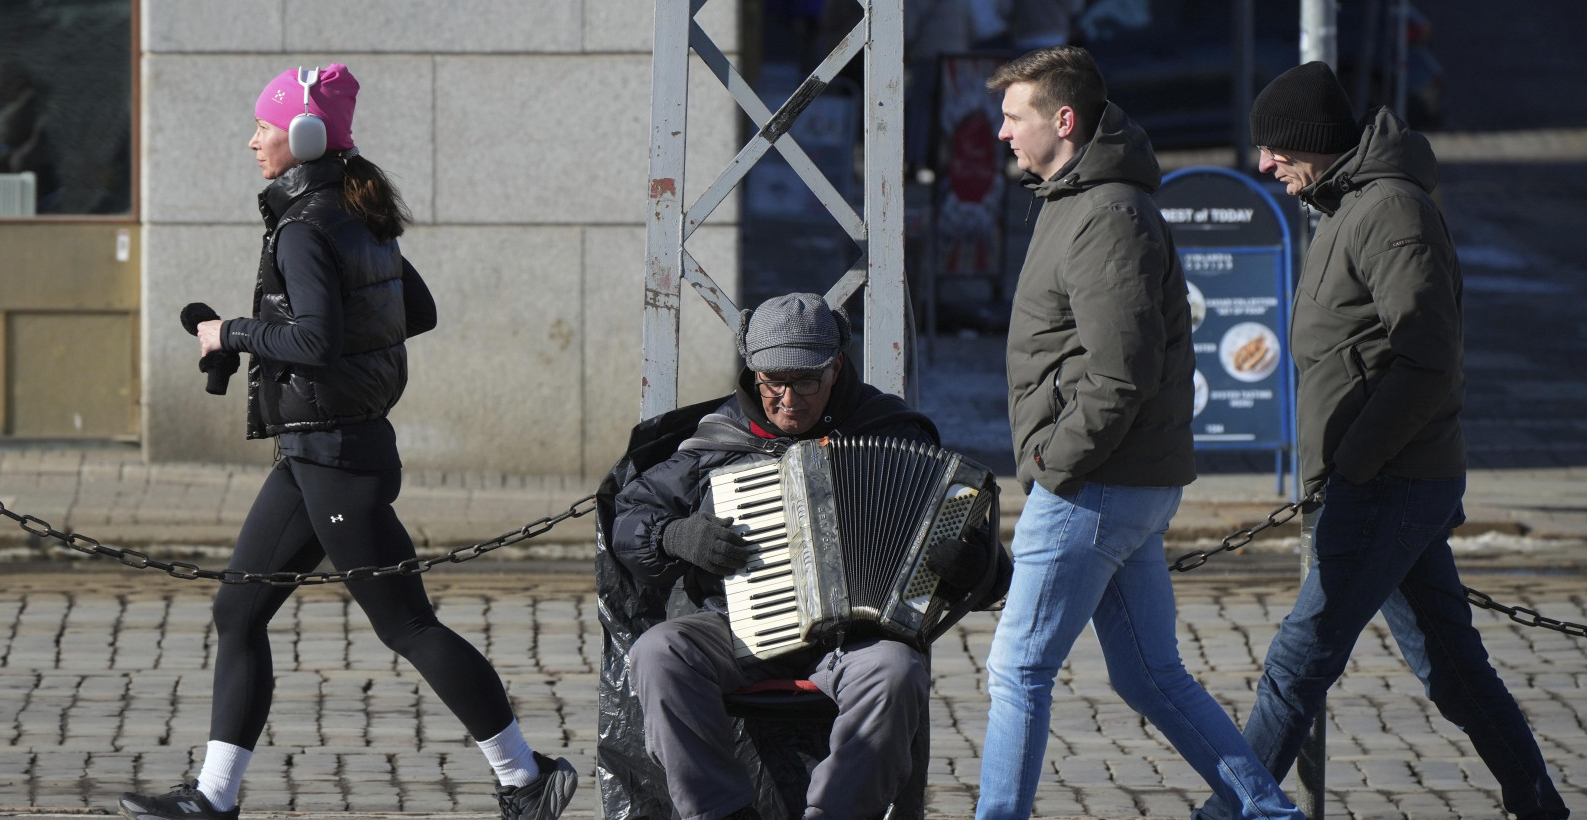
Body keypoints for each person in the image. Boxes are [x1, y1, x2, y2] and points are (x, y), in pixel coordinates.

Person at [115, 65, 577, 820]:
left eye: (262, 127)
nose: (251, 140)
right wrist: (279, 339)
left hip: (334, 454)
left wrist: (228, 331)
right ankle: (213, 797)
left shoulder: (303, 224)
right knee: (239, 613)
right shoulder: (354, 211)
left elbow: (317, 339)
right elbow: (412, 310)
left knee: (408, 625)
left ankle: (527, 779)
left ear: (300, 136)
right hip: (314, 453)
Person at [1195, 62, 1571, 820]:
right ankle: (1541, 807)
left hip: (1387, 483)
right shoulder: (1348, 209)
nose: (1265, 166)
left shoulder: (1390, 212)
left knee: (1295, 663)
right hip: (1387, 479)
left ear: (1314, 142)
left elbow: (1426, 357)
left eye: (1274, 149)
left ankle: (1228, 815)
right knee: (1453, 670)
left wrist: (1356, 463)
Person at [975, 46, 1301, 820]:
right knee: (1149, 674)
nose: (1000, 133)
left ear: (1063, 119)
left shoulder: (1107, 212)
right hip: (1116, 482)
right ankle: (1268, 811)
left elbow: (1121, 371)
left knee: (1018, 669)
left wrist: (1058, 464)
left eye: (1013, 116)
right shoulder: (1073, 198)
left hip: (1096, 485)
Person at [611, 293, 1004, 820]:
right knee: (658, 654)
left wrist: (974, 569)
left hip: (856, 641)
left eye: (806, 382)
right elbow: (631, 518)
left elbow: (990, 568)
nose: (788, 399)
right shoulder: (717, 441)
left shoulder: (889, 430)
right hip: (733, 628)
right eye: (772, 382)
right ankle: (721, 813)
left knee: (897, 669)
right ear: (752, 373)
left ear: (835, 366)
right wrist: (674, 536)